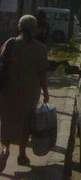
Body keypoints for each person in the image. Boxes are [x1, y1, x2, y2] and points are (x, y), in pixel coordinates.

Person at [0, 15, 50, 171]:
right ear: (34, 29)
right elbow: (42, 73)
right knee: (26, 123)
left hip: (8, 91)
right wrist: (46, 91)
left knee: (7, 122)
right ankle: (22, 154)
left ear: (19, 27)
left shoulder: (10, 43)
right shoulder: (40, 48)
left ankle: (4, 150)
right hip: (29, 93)